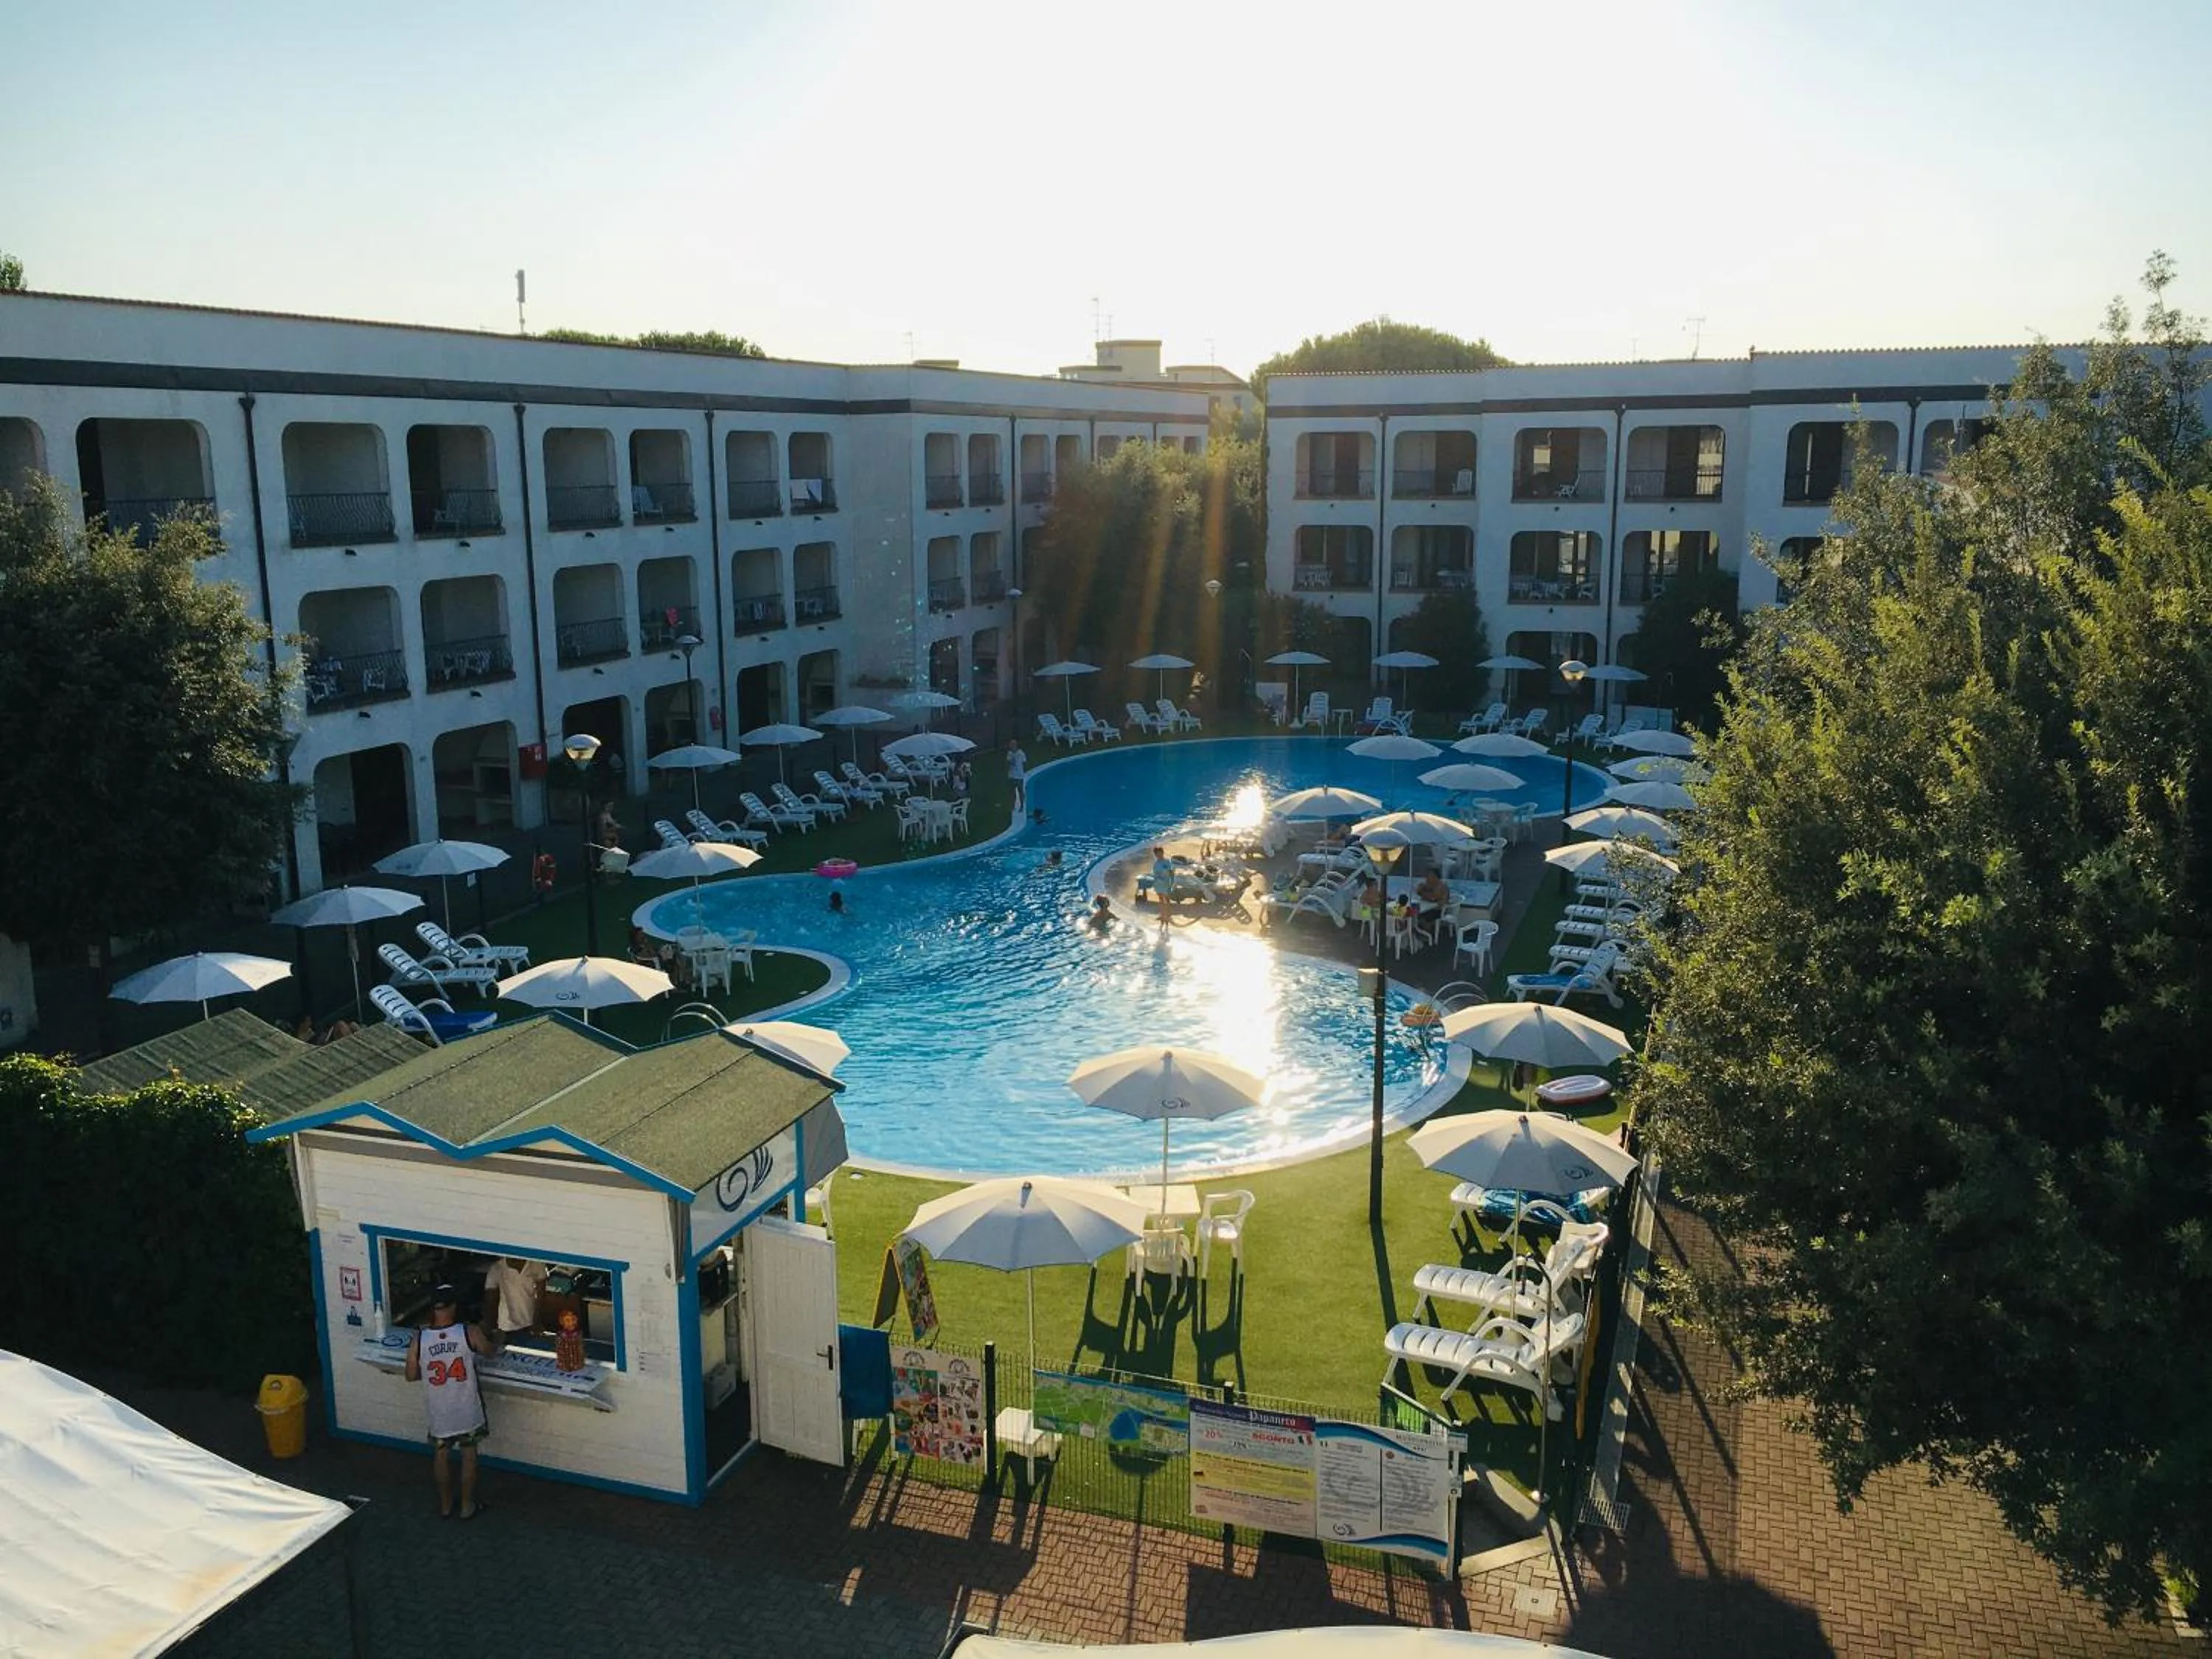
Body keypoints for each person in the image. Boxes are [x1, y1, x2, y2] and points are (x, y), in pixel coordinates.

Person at [405, 1284, 499, 1519]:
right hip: (467, 1408)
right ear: (454, 1306)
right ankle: (467, 1505)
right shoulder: (469, 1332)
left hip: (439, 1411)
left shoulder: (421, 1338)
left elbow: (410, 1375)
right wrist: (497, 1337)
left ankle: (446, 1505)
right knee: (469, 1454)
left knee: (441, 1456)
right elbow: (489, 1351)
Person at [482, 1256, 546, 1347]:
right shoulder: (497, 1268)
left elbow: (541, 1294)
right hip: (506, 1327)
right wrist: (492, 1329)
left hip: (530, 1325)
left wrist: (537, 1321)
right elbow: (490, 1300)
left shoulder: (537, 1264)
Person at [1151, 846, 1177, 931]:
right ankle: (1162, 915)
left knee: (1167, 900)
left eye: (1160, 853)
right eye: (1157, 854)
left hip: (1166, 884)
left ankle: (1168, 915)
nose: (1159, 855)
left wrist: (1172, 884)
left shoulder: (1167, 862)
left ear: (1162, 853)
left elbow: (1171, 873)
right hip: (1159, 884)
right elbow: (1155, 875)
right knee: (1161, 900)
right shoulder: (1155, 864)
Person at [1006, 742, 1028, 811]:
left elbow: (1024, 762)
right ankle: (1013, 806)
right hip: (1012, 775)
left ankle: (1022, 806)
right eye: (1010, 745)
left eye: (1012, 745)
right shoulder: (1010, 753)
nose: (1010, 746)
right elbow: (1009, 762)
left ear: (1016, 746)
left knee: (1020, 791)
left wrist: (1022, 772)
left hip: (1019, 775)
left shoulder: (1021, 753)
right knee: (1012, 792)